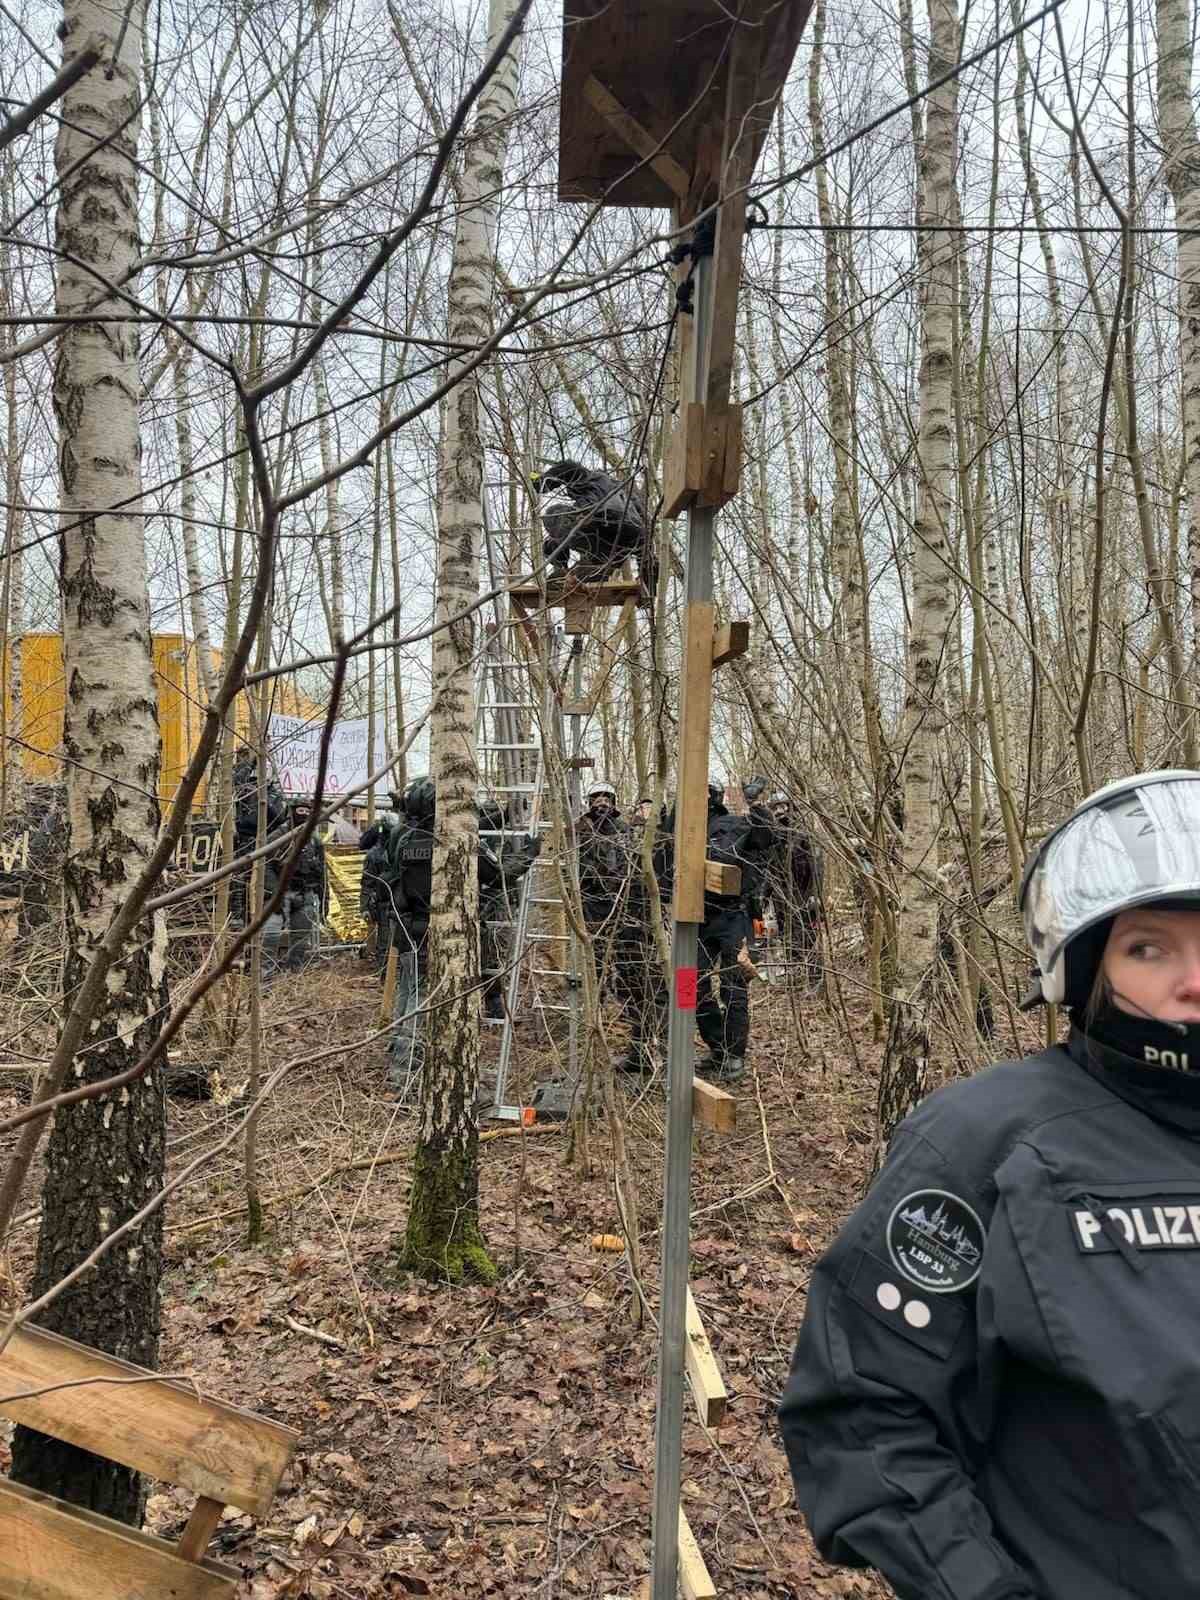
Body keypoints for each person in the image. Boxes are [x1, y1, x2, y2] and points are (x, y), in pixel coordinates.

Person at [778, 769, 1200, 1600]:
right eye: (1149, 947)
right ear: (1082, 967)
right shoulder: (982, 1143)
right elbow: (863, 1408)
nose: (1194, 981)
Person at [576, 779, 666, 1073]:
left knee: (635, 983)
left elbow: (640, 874)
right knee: (595, 981)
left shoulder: (627, 832)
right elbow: (577, 873)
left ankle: (642, 1050)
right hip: (594, 917)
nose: (601, 802)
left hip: (628, 921)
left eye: (606, 797)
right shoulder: (579, 831)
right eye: (596, 798)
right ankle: (593, 1048)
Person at [694, 777, 779, 1083]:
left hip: (734, 916)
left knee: (734, 987)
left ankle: (734, 1054)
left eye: (705, 793)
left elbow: (767, 837)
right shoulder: (684, 827)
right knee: (691, 986)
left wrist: (756, 804)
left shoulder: (734, 824)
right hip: (695, 919)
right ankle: (717, 1047)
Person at [534, 460, 652, 587]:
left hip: (601, 526)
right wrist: (647, 579)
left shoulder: (588, 479)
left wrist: (533, 477)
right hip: (617, 549)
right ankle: (573, 573)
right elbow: (644, 528)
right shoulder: (623, 492)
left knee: (553, 513)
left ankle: (564, 569)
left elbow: (541, 485)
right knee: (588, 564)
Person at [478, 791, 541, 1021]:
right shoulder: (480, 839)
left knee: (496, 953)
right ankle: (492, 1003)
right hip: (486, 899)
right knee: (490, 953)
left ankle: (493, 1001)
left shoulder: (504, 837)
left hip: (501, 901)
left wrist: (509, 813)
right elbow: (501, 875)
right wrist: (528, 854)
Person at [262, 797, 327, 976]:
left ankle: (294, 973)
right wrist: (275, 894)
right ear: (291, 812)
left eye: (307, 812)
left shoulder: (314, 840)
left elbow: (322, 873)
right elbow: (265, 866)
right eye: (300, 811)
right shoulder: (276, 837)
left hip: (305, 893)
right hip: (280, 893)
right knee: (270, 935)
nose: (304, 815)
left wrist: (323, 901)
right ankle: (265, 974)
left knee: (301, 937)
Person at [764, 791, 822, 984]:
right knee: (787, 934)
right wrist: (765, 896)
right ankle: (795, 974)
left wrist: (815, 894)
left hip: (804, 892)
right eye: (776, 807)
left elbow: (816, 866)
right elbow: (769, 868)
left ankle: (815, 978)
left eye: (783, 806)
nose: (781, 811)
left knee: (809, 934)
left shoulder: (803, 832)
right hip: (782, 895)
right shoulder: (772, 835)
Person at [359, 801, 402, 974]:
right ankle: (385, 975)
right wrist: (364, 907)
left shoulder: (401, 848)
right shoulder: (375, 855)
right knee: (385, 942)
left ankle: (395, 973)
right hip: (383, 904)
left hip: (401, 902)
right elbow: (367, 883)